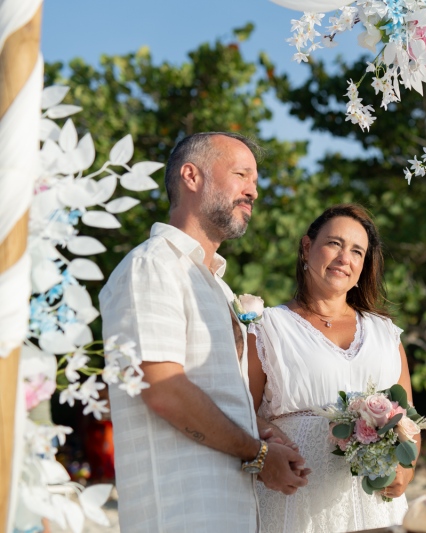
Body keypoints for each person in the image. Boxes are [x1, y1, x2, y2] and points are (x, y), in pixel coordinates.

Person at [100, 132, 309, 532]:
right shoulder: (153, 267)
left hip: (228, 509)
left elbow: (215, 392)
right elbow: (162, 388)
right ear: (191, 176)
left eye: (255, 181)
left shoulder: (217, 284)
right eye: (241, 175)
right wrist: (260, 454)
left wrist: (262, 429)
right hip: (181, 511)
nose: (253, 191)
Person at [246, 204, 416, 532]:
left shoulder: (385, 333)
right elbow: (239, 412)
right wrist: (267, 451)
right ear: (307, 247)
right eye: (334, 244)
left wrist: (407, 468)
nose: (344, 258)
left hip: (376, 506)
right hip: (294, 501)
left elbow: (407, 418)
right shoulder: (267, 327)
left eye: (356, 251)